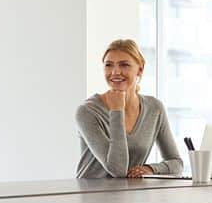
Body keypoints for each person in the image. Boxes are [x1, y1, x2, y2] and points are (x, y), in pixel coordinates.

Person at [75, 39, 184, 178]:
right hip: (92, 196)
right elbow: (117, 169)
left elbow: (177, 163)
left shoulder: (154, 108)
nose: (115, 72)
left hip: (130, 195)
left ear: (140, 69)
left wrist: (150, 169)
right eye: (108, 65)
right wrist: (117, 111)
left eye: (124, 65)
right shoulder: (87, 112)